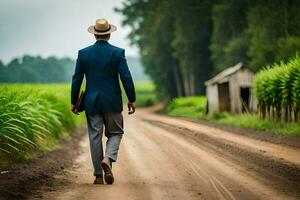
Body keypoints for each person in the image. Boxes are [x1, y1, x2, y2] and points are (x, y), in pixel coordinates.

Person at [71, 19, 136, 185]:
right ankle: (108, 158)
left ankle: (98, 176)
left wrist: (74, 101)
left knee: (95, 137)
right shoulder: (118, 53)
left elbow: (77, 78)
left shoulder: (83, 53)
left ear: (94, 34)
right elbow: (126, 77)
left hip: (92, 102)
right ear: (109, 34)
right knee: (116, 133)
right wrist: (132, 99)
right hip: (112, 101)